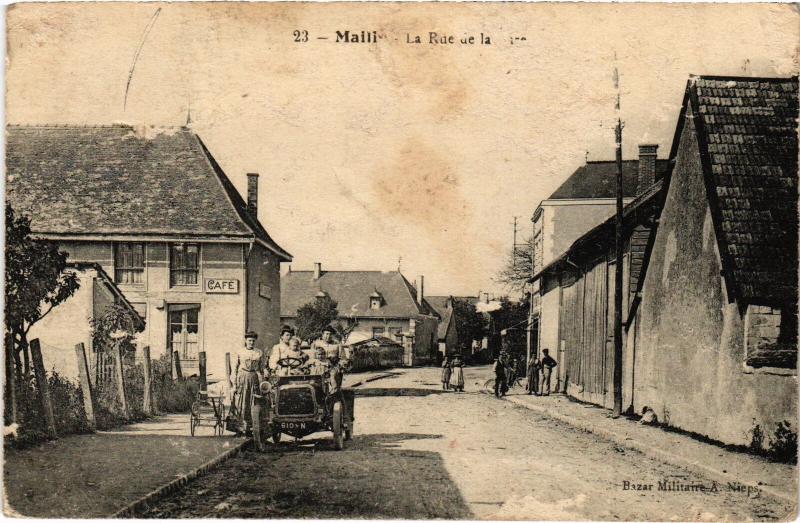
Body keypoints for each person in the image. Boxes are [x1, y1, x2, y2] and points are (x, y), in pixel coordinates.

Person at [232, 331, 263, 435]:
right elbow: (235, 368)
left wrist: (262, 379)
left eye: (253, 341)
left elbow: (261, 368)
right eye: (249, 340)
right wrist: (234, 383)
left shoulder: (258, 352)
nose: (251, 343)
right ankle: (240, 427)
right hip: (243, 377)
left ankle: (252, 426)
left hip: (254, 377)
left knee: (253, 401)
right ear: (245, 341)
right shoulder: (240, 352)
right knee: (242, 401)